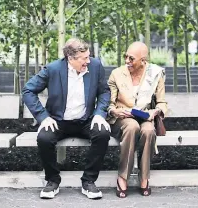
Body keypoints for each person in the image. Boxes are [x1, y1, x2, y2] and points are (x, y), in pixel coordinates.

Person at [22, 38, 111, 199]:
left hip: (86, 120)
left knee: (103, 133)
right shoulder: (53, 69)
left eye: (88, 56)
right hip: (58, 121)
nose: (88, 61)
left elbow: (104, 92)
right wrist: (43, 117)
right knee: (44, 138)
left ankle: (89, 181)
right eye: (84, 58)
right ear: (70, 58)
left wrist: (99, 114)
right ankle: (52, 181)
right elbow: (28, 90)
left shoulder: (96, 66)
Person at [106, 41, 168, 198]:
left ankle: (144, 176)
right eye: (125, 56)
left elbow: (161, 102)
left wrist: (156, 111)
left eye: (131, 58)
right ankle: (123, 176)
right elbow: (109, 104)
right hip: (122, 118)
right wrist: (115, 111)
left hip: (144, 116)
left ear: (143, 60)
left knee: (148, 130)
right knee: (132, 126)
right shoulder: (116, 74)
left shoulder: (155, 74)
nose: (127, 61)